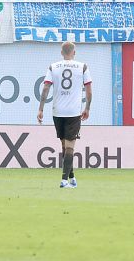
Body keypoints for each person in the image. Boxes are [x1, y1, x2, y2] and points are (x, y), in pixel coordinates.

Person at [38, 41, 93, 189]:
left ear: (61, 53)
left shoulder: (53, 66)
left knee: (64, 145)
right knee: (70, 147)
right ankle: (64, 180)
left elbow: (45, 88)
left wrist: (41, 108)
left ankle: (72, 177)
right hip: (73, 112)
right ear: (74, 52)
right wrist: (87, 108)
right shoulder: (83, 67)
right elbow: (88, 91)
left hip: (57, 111)